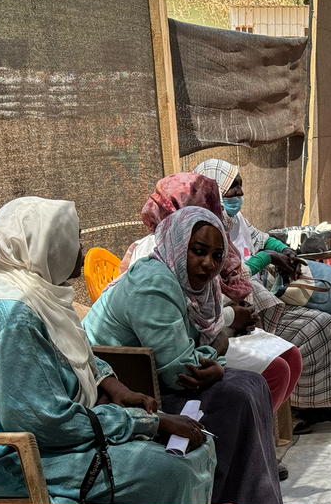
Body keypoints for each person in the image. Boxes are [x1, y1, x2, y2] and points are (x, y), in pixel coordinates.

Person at [0, 197, 215, 504]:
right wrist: (148, 422)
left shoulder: (38, 296)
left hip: (41, 441)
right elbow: (46, 422)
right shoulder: (13, 318)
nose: (80, 249)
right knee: (174, 468)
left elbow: (75, 351)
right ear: (48, 245)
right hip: (3, 459)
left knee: (197, 446)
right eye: (74, 239)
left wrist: (112, 386)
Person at [83, 207, 284, 504]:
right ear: (178, 245)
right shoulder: (154, 284)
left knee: (252, 385)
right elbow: (182, 372)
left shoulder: (190, 285)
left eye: (217, 255)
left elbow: (197, 353)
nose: (208, 264)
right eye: (198, 251)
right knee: (234, 397)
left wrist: (216, 358)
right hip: (126, 391)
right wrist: (218, 352)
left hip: (154, 378)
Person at [118, 173, 301, 412]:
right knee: (259, 382)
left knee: (289, 358)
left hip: (204, 338)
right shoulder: (157, 262)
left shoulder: (209, 236)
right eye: (205, 203)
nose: (209, 263)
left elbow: (206, 307)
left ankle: (254, 430)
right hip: (153, 365)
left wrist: (226, 330)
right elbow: (181, 370)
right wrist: (228, 328)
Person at [193, 158, 331, 408]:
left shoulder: (234, 220)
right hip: (240, 313)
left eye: (240, 186)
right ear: (213, 190)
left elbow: (261, 238)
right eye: (232, 187)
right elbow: (228, 277)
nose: (239, 193)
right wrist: (268, 258)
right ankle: (301, 403)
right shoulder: (204, 228)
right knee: (319, 326)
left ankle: (329, 397)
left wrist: (282, 249)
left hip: (257, 298)